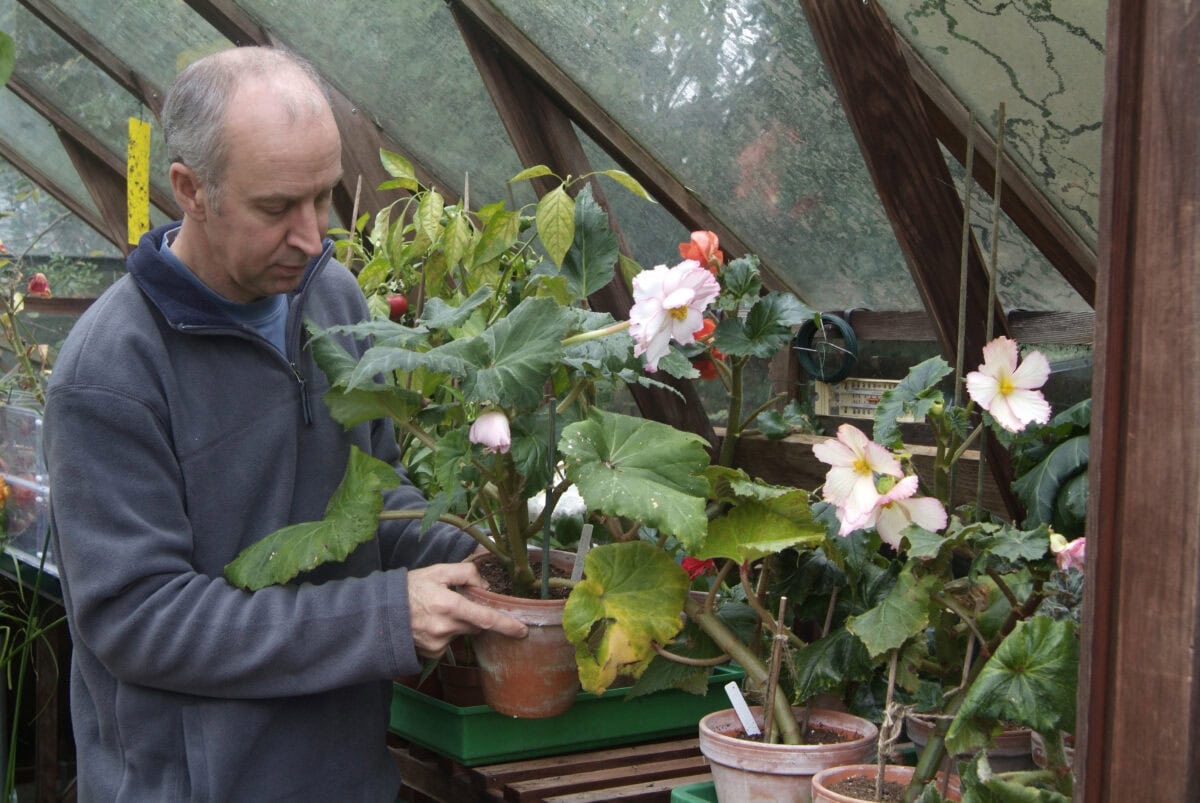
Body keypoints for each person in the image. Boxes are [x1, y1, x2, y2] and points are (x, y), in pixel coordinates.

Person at [43, 45, 526, 802]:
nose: (313, 236)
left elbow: (374, 497)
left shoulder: (331, 299)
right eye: (276, 208)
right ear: (189, 189)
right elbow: (141, 619)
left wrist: (485, 552)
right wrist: (382, 615)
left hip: (350, 776)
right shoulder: (110, 374)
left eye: (323, 196)